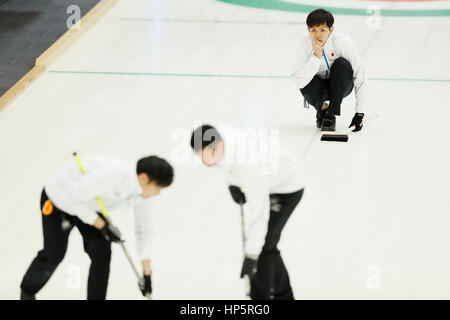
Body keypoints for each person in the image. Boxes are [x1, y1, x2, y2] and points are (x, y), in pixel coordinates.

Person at [20, 155, 174, 300]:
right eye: (158, 187)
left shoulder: (144, 195)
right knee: (54, 254)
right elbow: (73, 198)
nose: (158, 193)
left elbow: (144, 232)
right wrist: (101, 224)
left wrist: (147, 274)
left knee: (102, 252)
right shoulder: (114, 175)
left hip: (90, 204)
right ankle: (27, 292)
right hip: (59, 199)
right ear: (144, 178)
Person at [190, 124, 305, 300]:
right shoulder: (220, 140)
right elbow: (224, 164)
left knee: (262, 248)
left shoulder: (247, 163)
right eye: (201, 158)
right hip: (268, 180)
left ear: (219, 145)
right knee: (267, 246)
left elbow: (259, 212)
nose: (206, 163)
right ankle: (283, 296)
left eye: (207, 156)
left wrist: (251, 254)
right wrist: (232, 183)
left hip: (288, 186)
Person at [292, 8, 367, 132]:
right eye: (313, 30)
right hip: (315, 89)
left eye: (322, 30)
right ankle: (322, 109)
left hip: (340, 86)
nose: (317, 35)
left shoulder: (341, 42)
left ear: (331, 30)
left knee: (342, 64)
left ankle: (331, 114)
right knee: (304, 77)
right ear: (308, 30)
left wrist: (359, 113)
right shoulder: (302, 45)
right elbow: (299, 80)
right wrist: (316, 56)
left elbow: (360, 74)